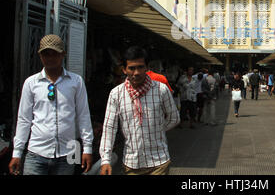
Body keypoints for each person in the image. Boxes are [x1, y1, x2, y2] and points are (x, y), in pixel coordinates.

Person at [9, 34, 93, 175]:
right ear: (40, 56)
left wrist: (87, 148)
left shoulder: (76, 81)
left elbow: (83, 115)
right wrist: (17, 152)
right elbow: (24, 119)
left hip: (68, 154)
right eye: (45, 54)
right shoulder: (31, 83)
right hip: (36, 154)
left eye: (54, 54)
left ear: (63, 55)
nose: (50, 58)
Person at [99, 46, 180, 175]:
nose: (136, 72)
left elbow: (174, 118)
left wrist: (156, 129)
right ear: (124, 70)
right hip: (131, 164)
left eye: (140, 67)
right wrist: (105, 160)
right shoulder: (116, 94)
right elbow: (109, 128)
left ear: (147, 67)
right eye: (131, 68)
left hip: (159, 162)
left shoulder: (161, 90)